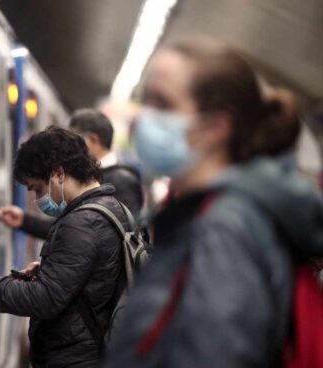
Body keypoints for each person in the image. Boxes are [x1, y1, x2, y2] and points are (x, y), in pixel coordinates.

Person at [104, 38, 323, 367]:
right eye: (144, 101)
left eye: (163, 105)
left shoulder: (225, 230)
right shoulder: (213, 216)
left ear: (216, 128)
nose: (143, 118)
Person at [0, 126, 128, 367]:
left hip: (73, 359)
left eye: (38, 188)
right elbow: (93, 276)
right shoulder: (112, 208)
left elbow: (44, 300)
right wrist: (50, 270)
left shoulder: (81, 224)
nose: (37, 198)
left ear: (59, 174)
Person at [0, 109, 143, 240]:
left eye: (74, 137)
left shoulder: (121, 181)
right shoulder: (96, 178)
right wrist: (25, 220)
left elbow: (103, 235)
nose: (67, 144)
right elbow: (69, 226)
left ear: (93, 140)